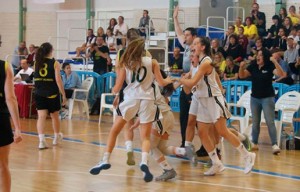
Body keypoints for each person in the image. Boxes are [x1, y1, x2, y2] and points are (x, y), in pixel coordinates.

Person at [89, 38, 173, 182]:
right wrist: (171, 80)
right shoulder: (152, 62)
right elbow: (161, 82)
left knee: (114, 131)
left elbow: (117, 87)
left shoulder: (124, 63)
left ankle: (105, 159)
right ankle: (144, 162)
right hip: (147, 100)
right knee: (145, 137)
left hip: (130, 99)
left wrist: (114, 91)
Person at [179, 36, 256, 176]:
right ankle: (217, 163)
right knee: (202, 132)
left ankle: (247, 155)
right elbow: (191, 85)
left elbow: (192, 83)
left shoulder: (206, 62)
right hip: (203, 100)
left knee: (222, 131)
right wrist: (182, 80)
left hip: (213, 99)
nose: (193, 46)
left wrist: (181, 80)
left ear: (202, 47)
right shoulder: (195, 63)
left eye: (196, 43)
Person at [239, 48, 285, 155]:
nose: (258, 57)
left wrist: (274, 61)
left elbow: (281, 74)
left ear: (265, 57)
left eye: (260, 55)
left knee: (270, 122)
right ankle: (254, 143)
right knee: (255, 122)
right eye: (257, 55)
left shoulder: (270, 66)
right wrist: (241, 67)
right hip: (254, 98)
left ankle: (274, 144)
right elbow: (242, 75)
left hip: (267, 98)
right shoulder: (253, 66)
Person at [34, 42, 67, 149]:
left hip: (39, 93)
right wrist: (64, 94)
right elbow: (58, 80)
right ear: (51, 51)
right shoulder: (54, 63)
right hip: (51, 93)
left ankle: (41, 140)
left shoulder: (36, 62)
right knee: (55, 116)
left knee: (41, 117)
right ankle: (56, 137)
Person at [173, 5, 197, 148]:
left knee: (197, 119)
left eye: (188, 35)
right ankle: (184, 143)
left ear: (194, 37)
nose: (185, 36)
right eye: (185, 35)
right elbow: (178, 32)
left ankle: (209, 147)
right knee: (184, 117)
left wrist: (187, 75)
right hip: (186, 84)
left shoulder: (198, 49)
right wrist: (175, 18)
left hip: (194, 85)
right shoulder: (187, 46)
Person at [0, 59, 22, 192]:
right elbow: (10, 98)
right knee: (2, 165)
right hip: (0, 118)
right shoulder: (5, 66)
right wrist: (17, 127)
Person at [88, 35, 110, 115]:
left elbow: (106, 57)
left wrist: (98, 50)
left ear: (103, 40)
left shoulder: (105, 48)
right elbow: (88, 56)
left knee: (102, 87)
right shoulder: (94, 48)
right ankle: (96, 106)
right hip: (95, 69)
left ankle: (101, 105)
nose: (99, 41)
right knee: (96, 87)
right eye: (98, 40)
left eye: (100, 40)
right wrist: (90, 50)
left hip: (102, 69)